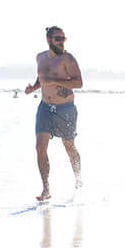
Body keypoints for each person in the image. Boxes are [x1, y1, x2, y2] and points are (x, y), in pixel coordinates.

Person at [25, 26, 83, 201]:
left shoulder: (68, 59)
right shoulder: (40, 57)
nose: (61, 42)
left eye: (63, 39)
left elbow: (79, 83)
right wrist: (33, 88)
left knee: (69, 146)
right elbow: (42, 77)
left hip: (65, 108)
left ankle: (78, 180)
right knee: (39, 147)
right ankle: (46, 189)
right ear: (49, 40)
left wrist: (54, 81)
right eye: (58, 39)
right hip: (45, 108)